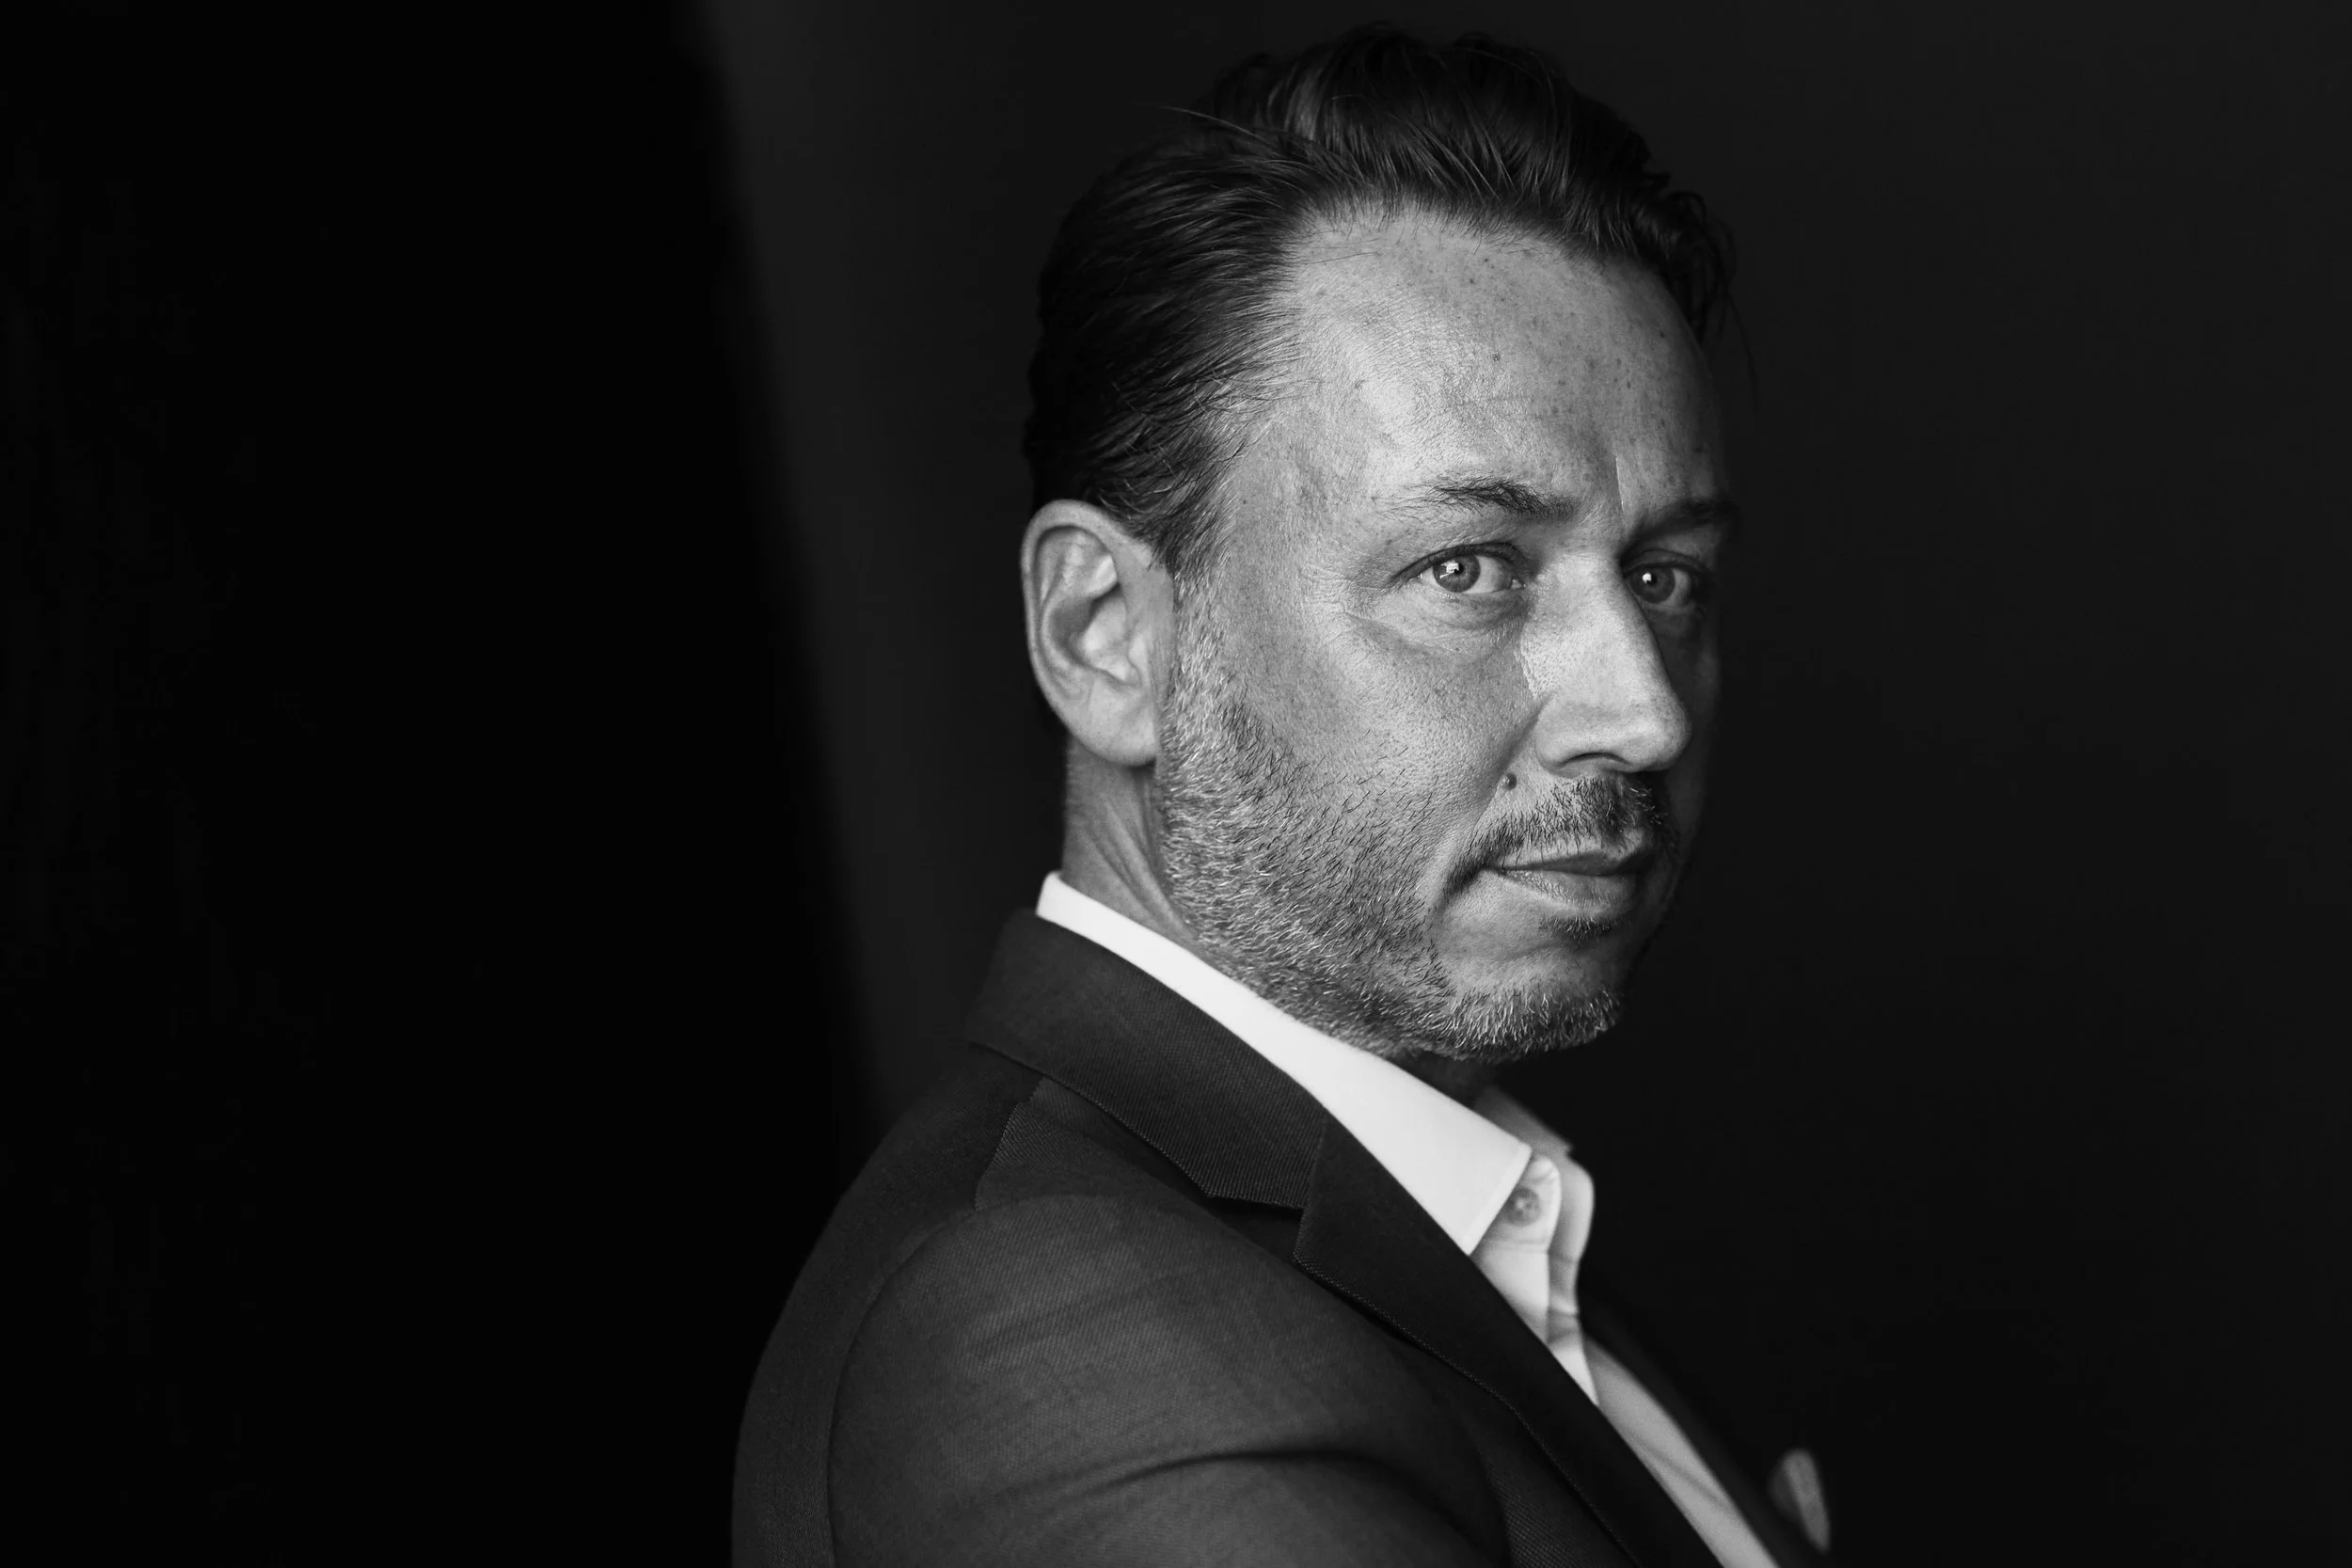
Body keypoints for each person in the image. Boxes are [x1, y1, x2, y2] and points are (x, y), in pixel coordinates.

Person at [736, 26, 1832, 1567]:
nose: (1642, 710)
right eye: (1469, 568)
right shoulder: (1061, 1327)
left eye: (1665, 575)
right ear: (1104, 635)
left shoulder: (1466, 1224)